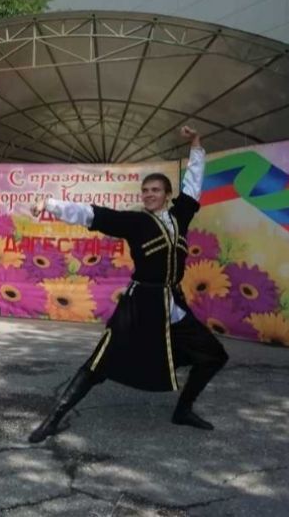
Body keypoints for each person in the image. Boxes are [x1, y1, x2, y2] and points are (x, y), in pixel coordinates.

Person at [27, 126, 228, 443]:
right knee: (99, 364)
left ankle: (183, 410)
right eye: (145, 190)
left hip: (172, 305)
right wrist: (49, 204)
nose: (148, 194)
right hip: (140, 306)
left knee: (214, 355)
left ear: (167, 195)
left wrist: (196, 144)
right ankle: (53, 419)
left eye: (155, 190)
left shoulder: (181, 215)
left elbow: (193, 183)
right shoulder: (136, 222)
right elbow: (93, 214)